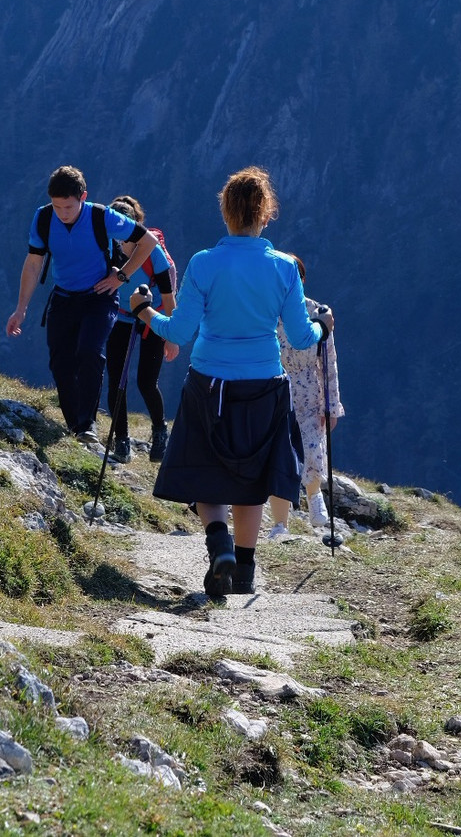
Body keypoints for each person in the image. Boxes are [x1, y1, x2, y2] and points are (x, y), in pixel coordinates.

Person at [130, 165, 333, 599]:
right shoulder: (283, 269)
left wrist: (144, 311)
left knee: (208, 468)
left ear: (226, 212)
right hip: (265, 385)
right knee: (252, 478)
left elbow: (179, 333)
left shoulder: (205, 263)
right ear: (266, 214)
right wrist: (324, 327)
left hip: (209, 382)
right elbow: (301, 337)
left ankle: (217, 541)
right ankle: (244, 571)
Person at [6, 165, 157, 448]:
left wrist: (121, 276)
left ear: (83, 197)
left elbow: (147, 241)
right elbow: (34, 263)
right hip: (63, 298)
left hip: (99, 296)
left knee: (89, 352)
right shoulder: (43, 218)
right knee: (60, 363)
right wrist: (21, 309)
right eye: (57, 205)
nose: (63, 212)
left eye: (69, 206)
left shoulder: (101, 216)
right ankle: (76, 425)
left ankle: (87, 425)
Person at [266, 254, 343, 539]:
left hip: (309, 390)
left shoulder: (317, 313)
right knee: (279, 456)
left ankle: (314, 497)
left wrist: (331, 406)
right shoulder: (267, 310)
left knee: (311, 448)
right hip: (274, 389)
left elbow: (329, 363)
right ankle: (280, 523)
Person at [104, 195, 179, 464]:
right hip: (121, 315)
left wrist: (172, 336)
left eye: (125, 234)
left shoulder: (155, 254)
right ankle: (121, 441)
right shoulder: (107, 246)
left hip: (152, 315)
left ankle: (160, 430)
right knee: (116, 380)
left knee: (146, 382)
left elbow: (170, 299)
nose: (119, 240)